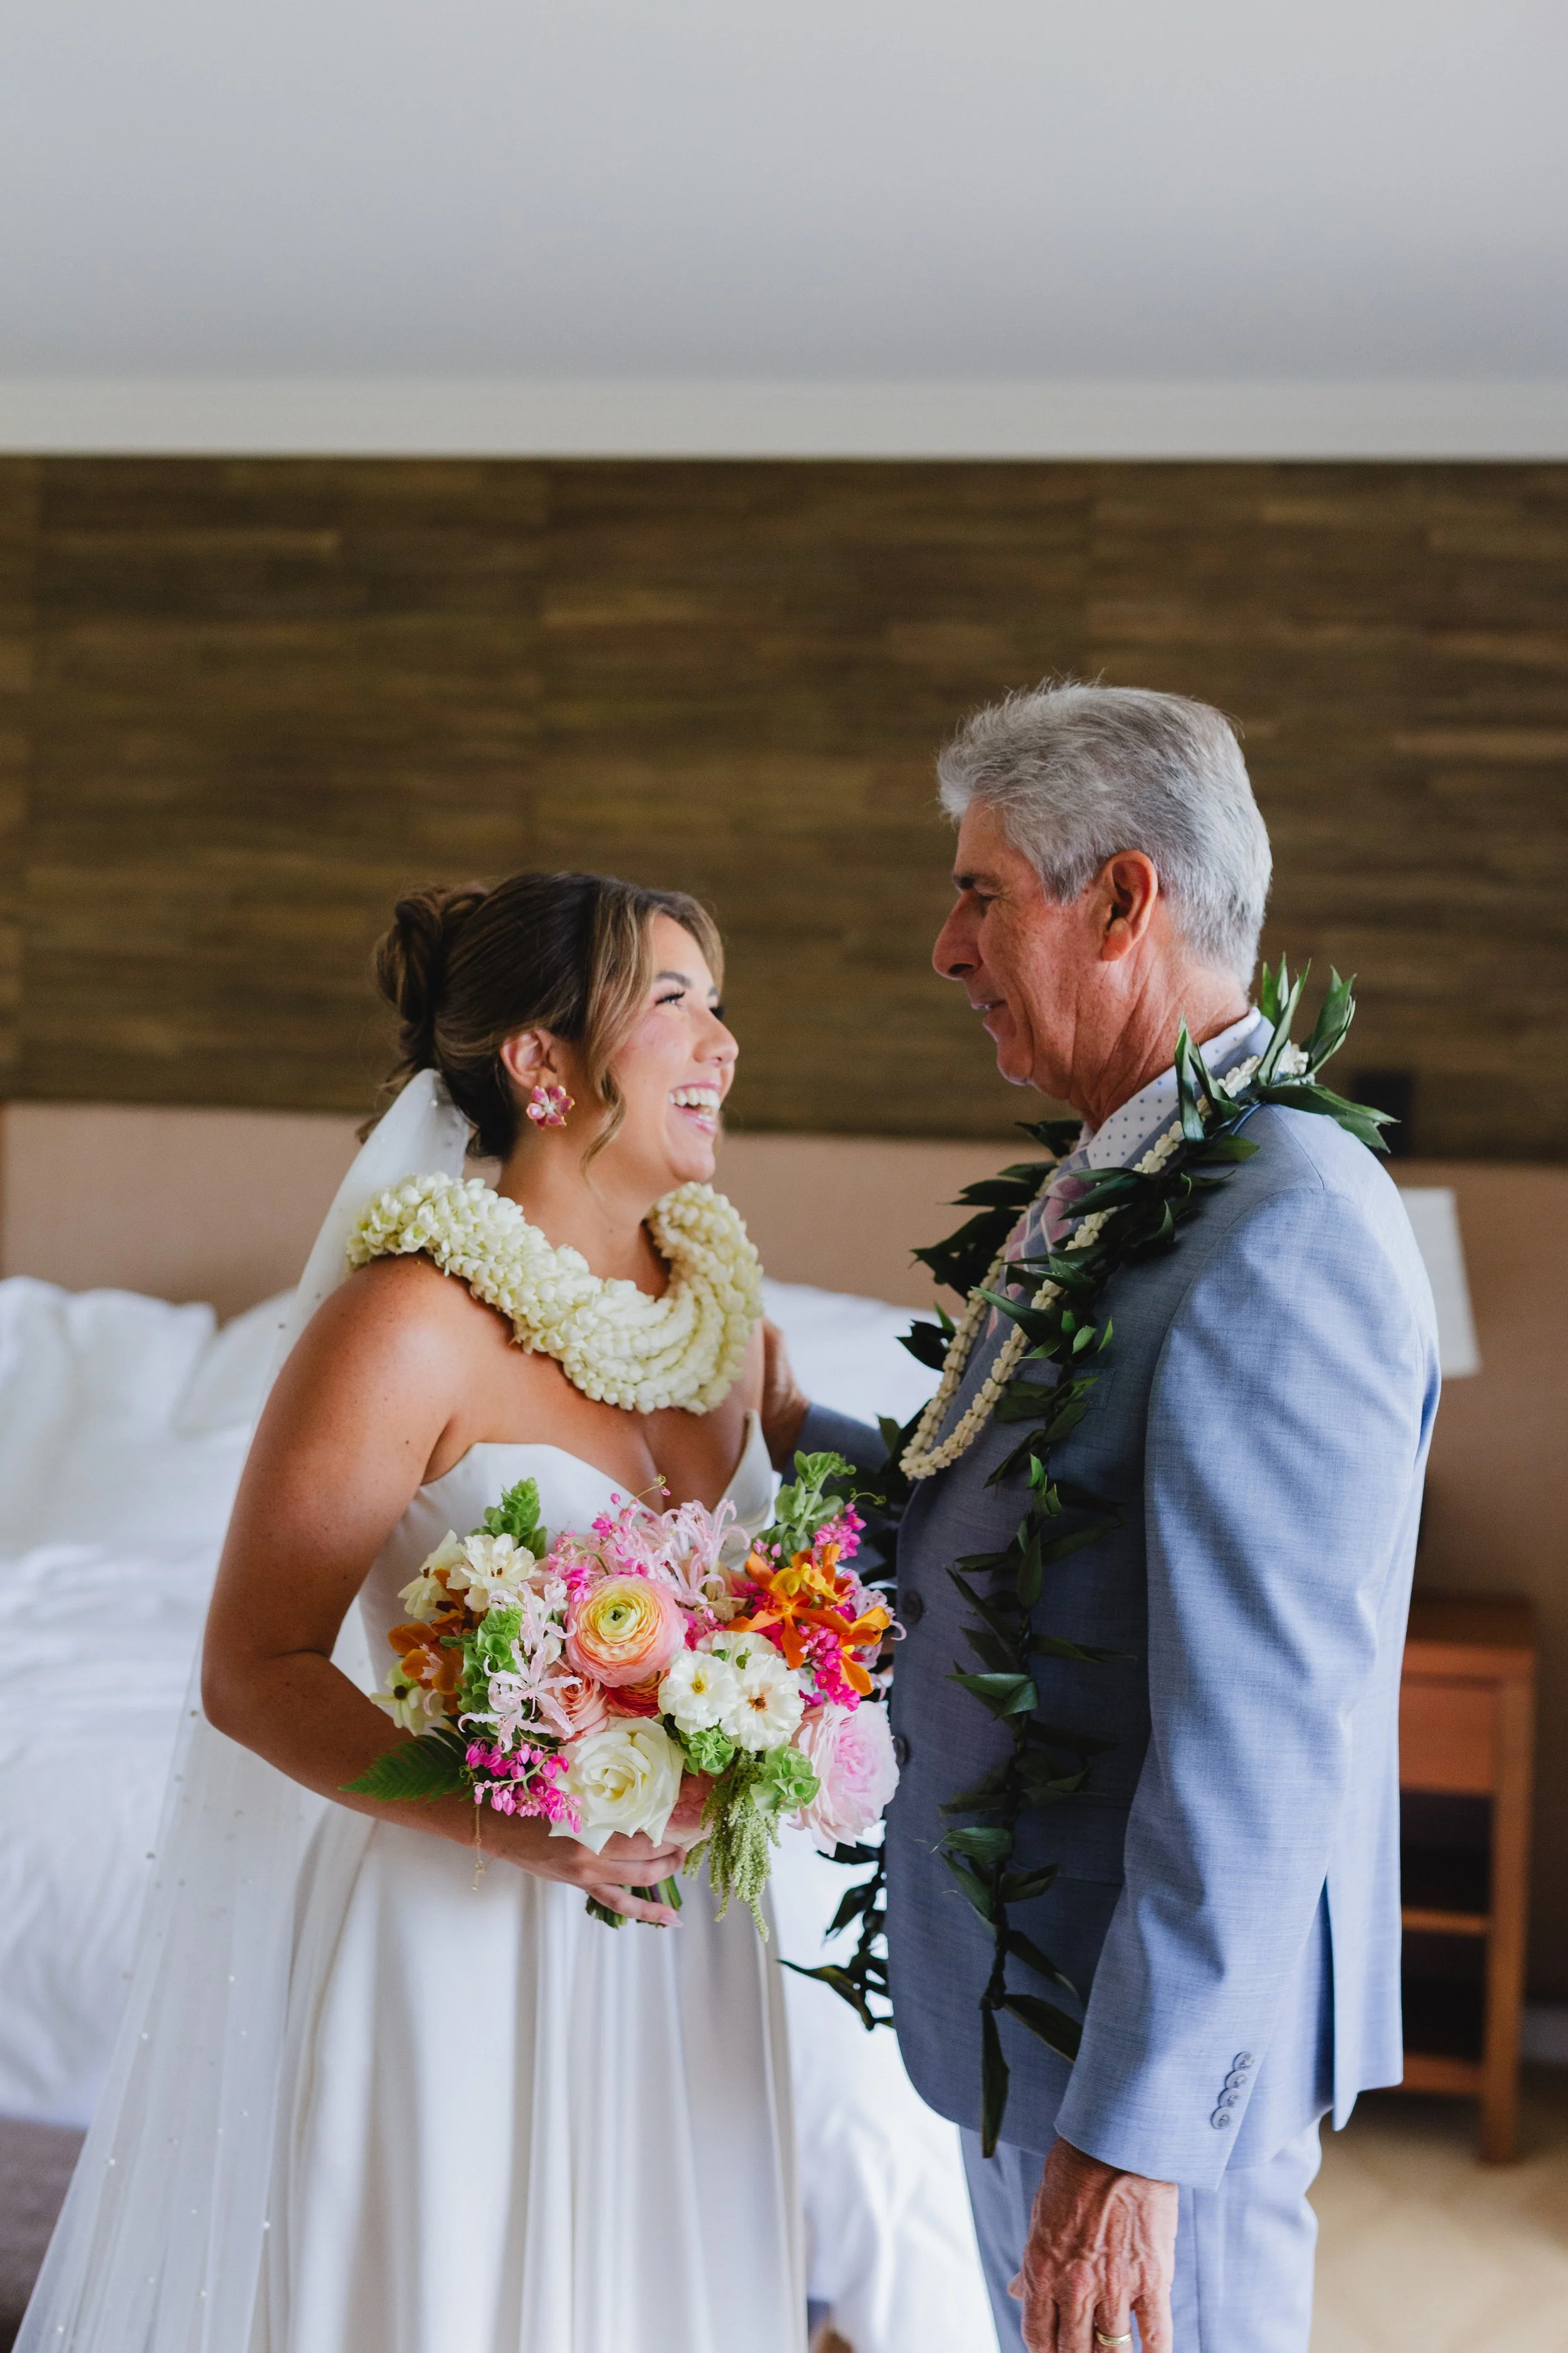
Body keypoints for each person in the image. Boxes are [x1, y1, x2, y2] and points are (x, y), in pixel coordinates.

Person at [21, 871, 810, 2353]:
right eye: (672, 1001)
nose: (721, 1044)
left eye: (719, 1004)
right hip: (467, 1929)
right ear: (540, 1061)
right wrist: (502, 1821)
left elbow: (778, 1590)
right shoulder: (405, 1322)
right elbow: (250, 1669)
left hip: (694, 1936)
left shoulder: (717, 1321)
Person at [773, 683, 1440, 2352]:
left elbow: (1259, 1735)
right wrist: (785, 1427)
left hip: (1137, 2061)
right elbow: (1018, 1520)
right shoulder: (1125, 1170)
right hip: (1039, 2003)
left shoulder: (1281, 1223)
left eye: (981, 892)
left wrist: (1134, 2134)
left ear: (1124, 899)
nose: (945, 945)